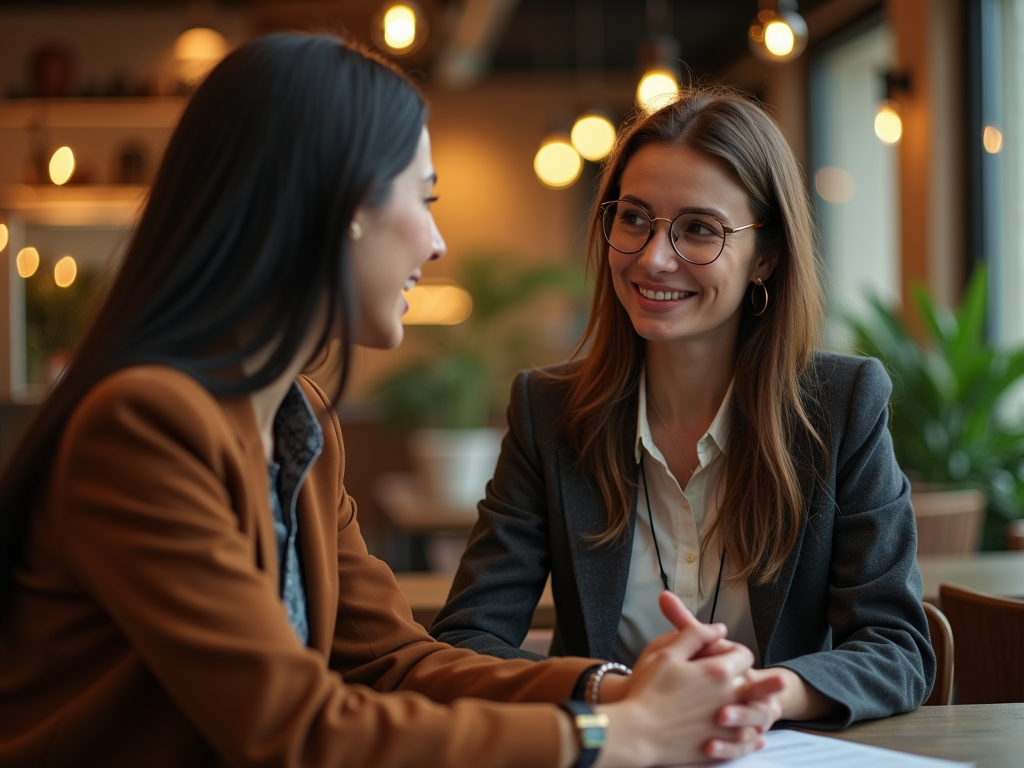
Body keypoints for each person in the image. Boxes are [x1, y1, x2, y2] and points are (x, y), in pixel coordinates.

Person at [0, 35, 785, 768]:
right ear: (339, 208)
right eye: (426, 197)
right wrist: (610, 735)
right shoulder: (145, 423)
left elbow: (393, 659)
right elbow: (294, 728)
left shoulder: (295, 420)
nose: (437, 244)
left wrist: (612, 690)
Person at [431, 86, 936, 730]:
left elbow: (899, 647)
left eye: (700, 229)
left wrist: (757, 695)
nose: (653, 257)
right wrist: (613, 689)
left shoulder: (841, 405)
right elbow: (465, 641)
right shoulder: (548, 410)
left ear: (768, 257)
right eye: (633, 218)